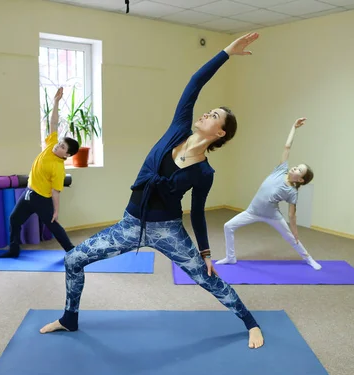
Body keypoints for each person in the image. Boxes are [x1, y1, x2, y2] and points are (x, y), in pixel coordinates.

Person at [40, 33, 265, 349]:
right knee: (73, 260)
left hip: (169, 231)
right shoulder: (178, 129)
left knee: (207, 278)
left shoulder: (204, 172)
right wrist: (227, 52)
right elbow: (194, 83)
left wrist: (206, 252)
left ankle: (251, 324)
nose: (205, 114)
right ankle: (69, 319)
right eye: (208, 111)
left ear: (220, 132)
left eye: (213, 116)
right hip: (130, 225)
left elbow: (198, 212)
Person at [215, 118, 322, 270]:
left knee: (291, 239)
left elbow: (292, 215)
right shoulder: (281, 170)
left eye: (299, 170)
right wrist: (294, 128)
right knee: (228, 226)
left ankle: (309, 259)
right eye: (297, 166)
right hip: (252, 211)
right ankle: (230, 257)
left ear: (301, 179)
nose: (295, 168)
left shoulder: (292, 192)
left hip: (272, 216)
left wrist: (295, 232)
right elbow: (287, 147)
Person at [0, 87, 80, 259]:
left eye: (63, 147)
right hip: (28, 193)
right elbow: (53, 123)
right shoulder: (51, 146)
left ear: (67, 155)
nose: (59, 146)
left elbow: (56, 192)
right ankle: (14, 250)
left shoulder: (58, 168)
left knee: (53, 225)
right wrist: (56, 102)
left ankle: (72, 252)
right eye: (60, 143)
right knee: (14, 219)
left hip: (42, 199)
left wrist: (56, 211)